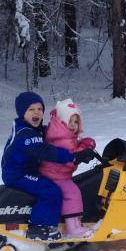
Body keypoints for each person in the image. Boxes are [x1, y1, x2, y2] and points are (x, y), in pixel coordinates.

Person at [1, 92, 91, 241]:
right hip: (18, 174)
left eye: (39, 109)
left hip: (28, 170)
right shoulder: (25, 134)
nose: (36, 112)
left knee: (51, 186)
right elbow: (46, 150)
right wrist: (72, 156)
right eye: (31, 110)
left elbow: (53, 134)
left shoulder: (31, 128)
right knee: (50, 190)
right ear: (22, 112)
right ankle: (39, 227)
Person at [40, 99, 97, 237]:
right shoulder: (61, 139)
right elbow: (69, 159)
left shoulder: (61, 135)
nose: (73, 126)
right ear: (61, 121)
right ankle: (74, 228)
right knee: (72, 193)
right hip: (55, 175)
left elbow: (74, 149)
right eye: (69, 121)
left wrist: (84, 144)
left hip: (57, 174)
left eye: (76, 122)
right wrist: (82, 151)